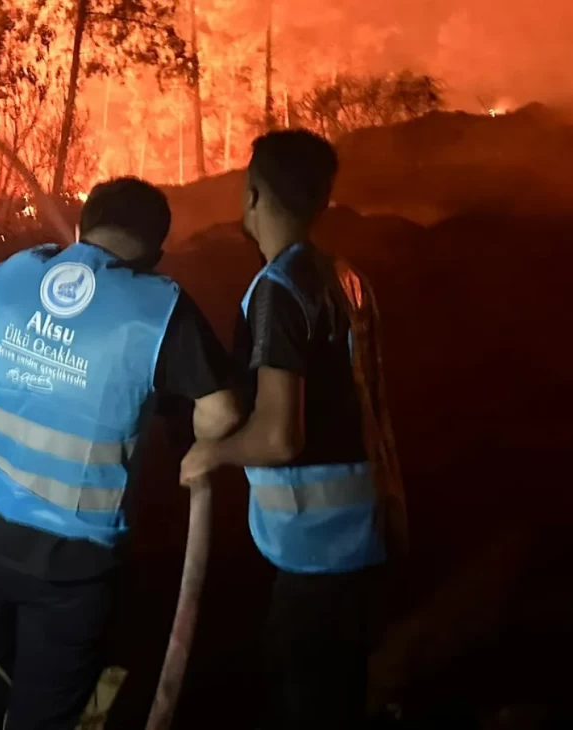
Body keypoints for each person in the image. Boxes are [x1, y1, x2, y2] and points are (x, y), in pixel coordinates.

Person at [0, 177, 241, 730]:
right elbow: (223, 412)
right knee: (50, 684)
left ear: (83, 227)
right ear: (155, 254)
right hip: (68, 555)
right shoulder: (158, 308)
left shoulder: (16, 271)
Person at [180, 129, 404, 729]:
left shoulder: (278, 293)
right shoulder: (344, 276)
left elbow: (281, 437)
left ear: (253, 195)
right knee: (339, 687)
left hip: (318, 546)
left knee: (305, 694)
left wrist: (212, 453)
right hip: (368, 526)